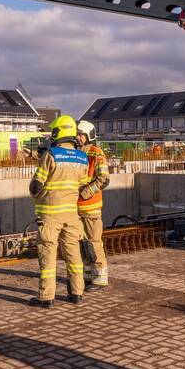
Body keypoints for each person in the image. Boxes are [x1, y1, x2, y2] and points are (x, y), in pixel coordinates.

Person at [28, 115, 89, 307]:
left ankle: (46, 298)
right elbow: (82, 186)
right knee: (74, 255)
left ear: (58, 132)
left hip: (50, 215)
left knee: (48, 255)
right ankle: (77, 294)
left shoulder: (51, 155)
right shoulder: (82, 157)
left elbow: (36, 186)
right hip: (71, 215)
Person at [76, 120, 110, 290]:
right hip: (77, 208)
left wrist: (85, 192)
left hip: (91, 207)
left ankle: (100, 279)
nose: (78, 137)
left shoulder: (96, 153)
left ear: (89, 136)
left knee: (94, 243)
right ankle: (88, 276)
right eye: (77, 134)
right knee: (83, 245)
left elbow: (104, 178)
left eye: (81, 134)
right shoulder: (74, 152)